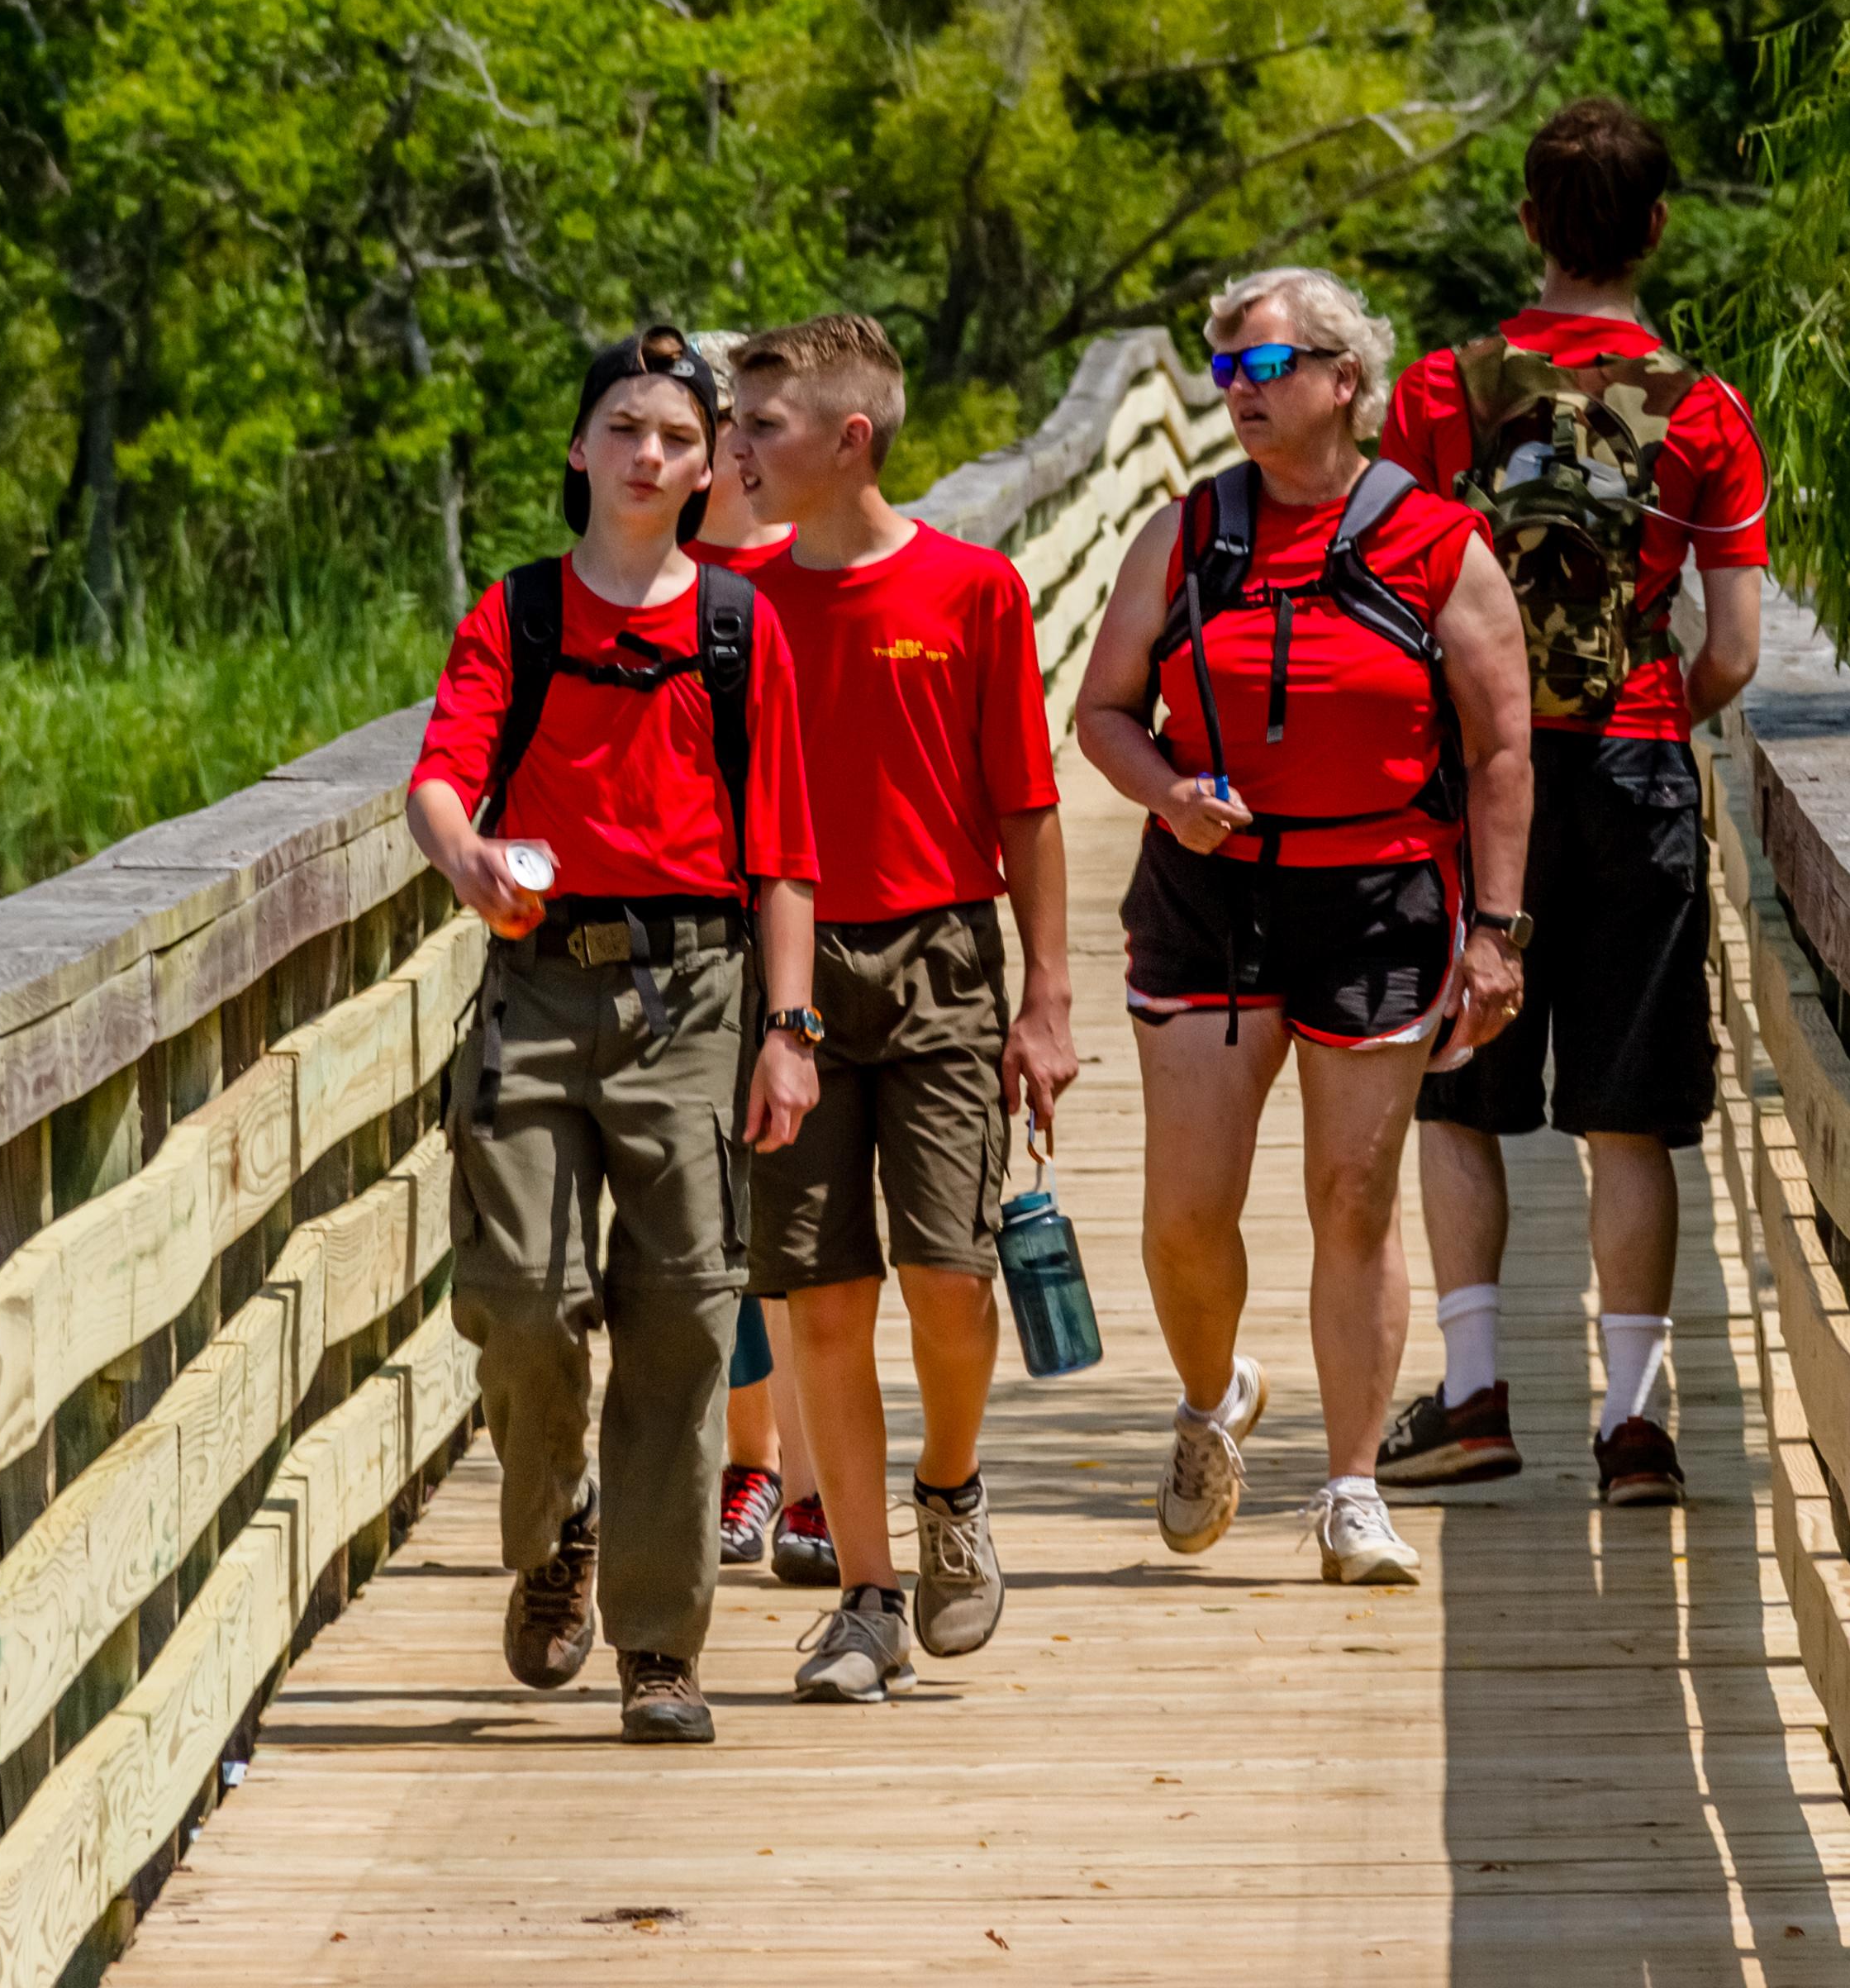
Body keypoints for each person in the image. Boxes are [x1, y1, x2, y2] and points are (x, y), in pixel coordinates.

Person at [1068, 267, 1535, 1588]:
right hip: (1208, 892)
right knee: (1183, 1215)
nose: (1237, 394)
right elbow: (1102, 711)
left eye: (1264, 370)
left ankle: (1350, 1492)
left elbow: (1503, 753)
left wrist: (1495, 933)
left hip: (1378, 894)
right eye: (1223, 371)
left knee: (1355, 1197)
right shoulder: (1184, 532)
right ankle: (1213, 1399)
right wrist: (1165, 792)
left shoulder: (1438, 543)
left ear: (1345, 381)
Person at [406, 322, 827, 1747]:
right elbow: (441, 774)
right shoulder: (516, 615)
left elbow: (782, 853)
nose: (651, 455)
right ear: (580, 450)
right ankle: (557, 1523)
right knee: (520, 1297)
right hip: (537, 986)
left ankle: (659, 1643)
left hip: (696, 996)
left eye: (680, 438)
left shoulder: (734, 628)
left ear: (713, 469)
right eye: (627, 429)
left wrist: (789, 1029)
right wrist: (462, 855)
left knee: (685, 1321)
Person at [1368, 100, 1767, 1509]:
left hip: (1477, 782)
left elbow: (1389, 602)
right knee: (1629, 1117)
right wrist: (1648, 723)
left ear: (1529, 224)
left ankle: (1473, 1397)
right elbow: (1732, 650)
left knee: (1460, 1090)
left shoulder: (1434, 397)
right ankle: (1635, 1425)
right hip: (1634, 764)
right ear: (1659, 227)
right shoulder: (1707, 413)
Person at [725, 313, 1077, 1703]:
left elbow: (1030, 809)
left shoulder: (972, 590)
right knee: (821, 1297)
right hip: (788, 980)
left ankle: (951, 1492)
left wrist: (1046, 997)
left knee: (949, 1272)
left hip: (942, 958)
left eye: (762, 426)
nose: (736, 448)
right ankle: (866, 1598)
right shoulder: (737, 606)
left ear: (850, 440)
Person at [681, 361, 825, 1584]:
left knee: (794, 1214)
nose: (729, 448)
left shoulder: (810, 560)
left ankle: (814, 1476)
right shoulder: (654, 570)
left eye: (746, 425)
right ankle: (750, 1455)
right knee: (713, 1218)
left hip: (804, 916)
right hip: (678, 933)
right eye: (710, 425)